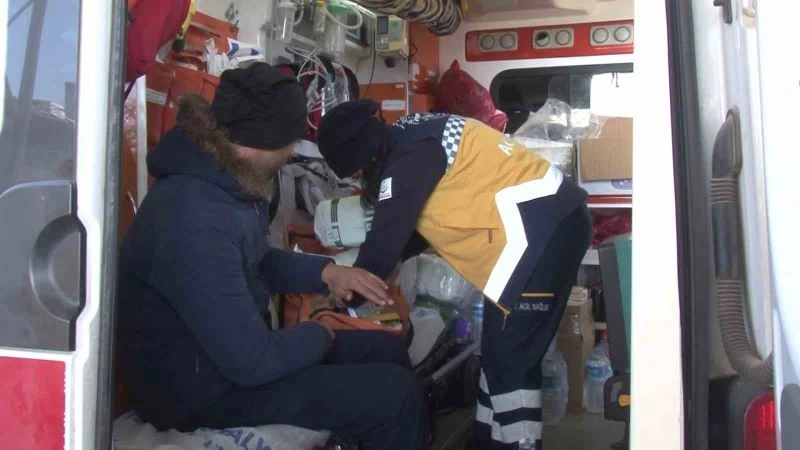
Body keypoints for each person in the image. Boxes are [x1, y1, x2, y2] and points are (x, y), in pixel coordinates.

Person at [116, 64, 428, 450]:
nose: (293, 152)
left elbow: (256, 261)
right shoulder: (194, 217)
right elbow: (252, 362)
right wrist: (318, 333)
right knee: (392, 394)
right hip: (195, 392)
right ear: (266, 140)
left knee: (386, 348)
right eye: (292, 141)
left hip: (224, 363)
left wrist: (327, 273)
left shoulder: (220, 184)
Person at [317, 100, 592, 450]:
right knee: (496, 351)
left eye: (354, 173)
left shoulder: (407, 161)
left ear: (364, 155)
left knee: (512, 365)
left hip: (542, 236)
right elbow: (405, 235)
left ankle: (517, 444)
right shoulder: (412, 137)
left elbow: (382, 246)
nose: (357, 182)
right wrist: (385, 264)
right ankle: (486, 442)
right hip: (545, 229)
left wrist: (342, 298)